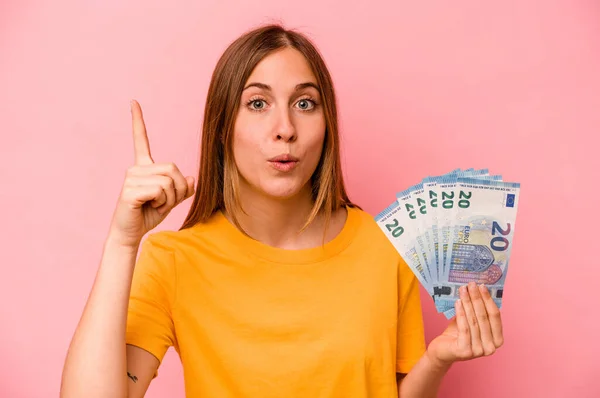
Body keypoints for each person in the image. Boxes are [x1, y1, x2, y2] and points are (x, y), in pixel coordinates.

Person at [60, 23, 504, 398]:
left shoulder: (384, 244)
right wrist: (123, 242)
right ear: (221, 127)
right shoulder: (174, 260)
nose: (285, 129)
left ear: (326, 124)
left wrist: (439, 359)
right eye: (257, 104)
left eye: (304, 103)